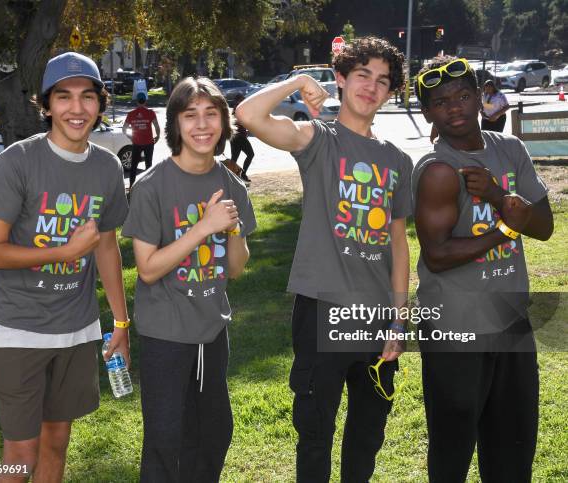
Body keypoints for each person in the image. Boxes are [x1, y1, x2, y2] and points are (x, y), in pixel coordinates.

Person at [236, 36, 412, 482]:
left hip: (375, 316)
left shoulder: (397, 161)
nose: (371, 87)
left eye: (382, 81)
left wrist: (398, 319)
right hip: (321, 310)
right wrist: (298, 80)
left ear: (390, 92)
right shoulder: (319, 140)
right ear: (340, 79)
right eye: (361, 75)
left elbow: (399, 244)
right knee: (315, 429)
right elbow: (248, 115)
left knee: (368, 431)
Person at [0, 52, 130, 482]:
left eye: (87, 97)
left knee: (56, 444)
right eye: (63, 98)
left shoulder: (106, 167)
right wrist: (62, 253)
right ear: (45, 105)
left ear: (100, 103)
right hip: (18, 329)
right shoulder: (18, 162)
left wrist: (120, 321)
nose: (76, 109)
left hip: (77, 329)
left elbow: (105, 247)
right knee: (19, 457)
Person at [413, 56, 553, 482]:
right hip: (455, 326)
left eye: (463, 96)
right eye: (440, 102)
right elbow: (437, 255)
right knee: (453, 448)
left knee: (513, 445)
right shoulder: (437, 170)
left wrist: (496, 194)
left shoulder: (510, 150)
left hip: (510, 319)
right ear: (427, 113)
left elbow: (545, 227)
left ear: (480, 98)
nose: (454, 107)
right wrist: (507, 225)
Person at [121, 76, 256, 482]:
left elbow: (234, 268)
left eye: (211, 114)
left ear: (224, 122)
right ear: (175, 124)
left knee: (214, 434)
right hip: (167, 334)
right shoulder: (151, 187)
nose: (202, 124)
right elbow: (147, 268)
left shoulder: (231, 182)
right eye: (190, 115)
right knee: (166, 439)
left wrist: (230, 229)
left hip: (212, 332)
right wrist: (202, 228)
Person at [123, 91, 161, 189]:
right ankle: (148, 187)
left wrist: (131, 137)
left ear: (137, 102)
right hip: (149, 143)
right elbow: (156, 126)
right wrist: (158, 136)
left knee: (134, 166)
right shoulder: (150, 113)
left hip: (136, 143)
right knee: (149, 166)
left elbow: (124, 129)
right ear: (145, 101)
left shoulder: (131, 114)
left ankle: (132, 186)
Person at [230, 93, 255, 182]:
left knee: (234, 158)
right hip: (239, 137)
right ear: (239, 101)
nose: (244, 102)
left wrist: (245, 130)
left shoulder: (235, 109)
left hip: (235, 137)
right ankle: (243, 174)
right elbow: (240, 122)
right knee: (250, 154)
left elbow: (237, 123)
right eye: (243, 100)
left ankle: (231, 177)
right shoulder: (238, 109)